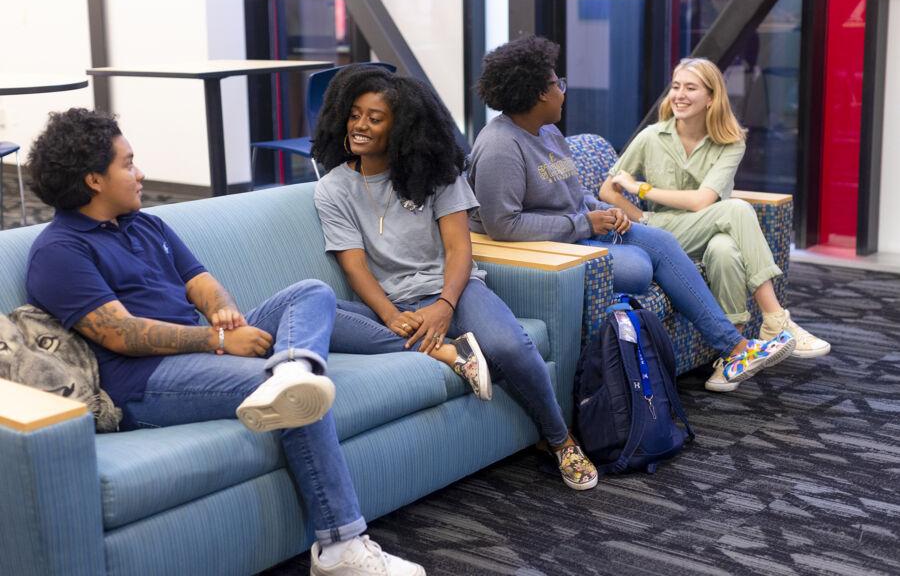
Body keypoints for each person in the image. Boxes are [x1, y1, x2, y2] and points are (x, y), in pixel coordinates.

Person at [25, 108, 425, 576]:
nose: (140, 173)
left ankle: (291, 368)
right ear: (94, 180)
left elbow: (201, 282)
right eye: (128, 164)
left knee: (311, 293)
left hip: (197, 349)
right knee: (298, 398)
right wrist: (216, 338)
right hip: (142, 381)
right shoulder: (59, 251)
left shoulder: (143, 224)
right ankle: (340, 548)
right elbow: (123, 334)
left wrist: (223, 311)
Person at [311, 64, 599, 491]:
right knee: (313, 307)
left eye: (375, 118)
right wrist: (391, 315)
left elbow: (459, 249)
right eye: (354, 116)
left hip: (455, 290)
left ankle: (560, 440)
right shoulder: (333, 188)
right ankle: (448, 351)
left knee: (510, 346)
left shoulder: (436, 174)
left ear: (402, 127)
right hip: (391, 305)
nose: (360, 126)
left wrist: (445, 305)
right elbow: (354, 265)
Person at [467, 35, 795, 392]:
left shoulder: (548, 133)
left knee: (662, 242)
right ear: (539, 94)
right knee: (638, 268)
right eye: (557, 83)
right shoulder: (500, 147)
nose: (563, 91)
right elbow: (503, 226)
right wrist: (583, 223)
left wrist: (605, 211)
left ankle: (734, 348)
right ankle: (736, 346)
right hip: (548, 248)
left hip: (577, 231)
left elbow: (576, 194)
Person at [601, 57, 830, 360]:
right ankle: (775, 319)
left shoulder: (730, 142)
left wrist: (642, 189)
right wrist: (641, 216)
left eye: (690, 88)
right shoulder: (651, 137)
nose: (680, 95)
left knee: (725, 250)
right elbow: (607, 190)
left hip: (710, 230)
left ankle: (732, 357)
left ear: (711, 97)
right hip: (663, 232)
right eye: (676, 86)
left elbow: (702, 201)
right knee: (737, 209)